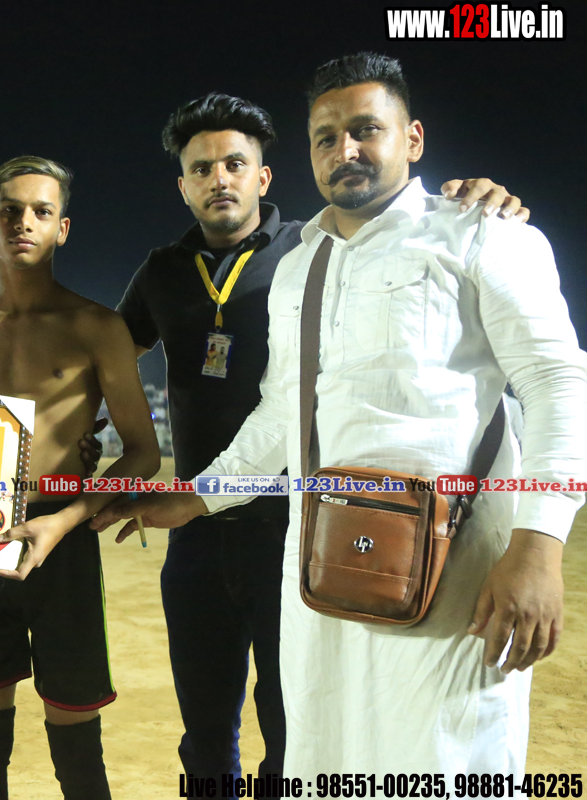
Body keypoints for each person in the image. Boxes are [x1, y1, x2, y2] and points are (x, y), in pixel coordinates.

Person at [96, 53, 586, 773]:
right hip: (322, 566)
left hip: (453, 572)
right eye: (326, 137)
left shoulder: (482, 233)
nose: (344, 149)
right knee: (323, 757)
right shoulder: (300, 264)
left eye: (366, 130)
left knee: (446, 762)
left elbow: (557, 382)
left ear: (412, 138)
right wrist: (198, 497)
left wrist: (539, 547)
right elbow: (280, 413)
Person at [0, 156, 161, 800]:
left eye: (42, 211)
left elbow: (143, 453)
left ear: (63, 228)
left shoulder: (97, 326)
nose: (24, 223)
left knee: (79, 752)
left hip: (64, 543)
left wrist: (65, 519)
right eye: (10, 211)